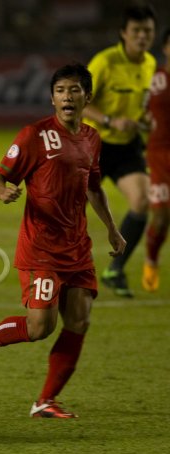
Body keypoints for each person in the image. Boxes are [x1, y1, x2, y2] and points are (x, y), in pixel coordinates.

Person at [0, 64, 127, 418]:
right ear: (52, 98)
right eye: (61, 90)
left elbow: (93, 186)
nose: (68, 96)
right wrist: (2, 192)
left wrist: (111, 227)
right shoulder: (33, 136)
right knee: (39, 328)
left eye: (75, 90)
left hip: (77, 246)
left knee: (79, 319)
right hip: (42, 249)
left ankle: (45, 401)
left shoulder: (92, 138)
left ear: (87, 97)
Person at [81, 3, 156, 297]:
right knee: (73, 212)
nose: (142, 37)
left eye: (147, 32)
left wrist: (145, 120)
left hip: (126, 147)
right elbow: (80, 101)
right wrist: (110, 120)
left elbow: (142, 105)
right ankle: (54, 267)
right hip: (94, 145)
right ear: (123, 33)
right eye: (136, 31)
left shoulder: (150, 63)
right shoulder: (105, 62)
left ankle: (116, 269)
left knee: (143, 201)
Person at [143, 28, 170, 291]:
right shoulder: (153, 80)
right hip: (160, 154)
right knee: (161, 217)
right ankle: (151, 259)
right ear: (165, 48)